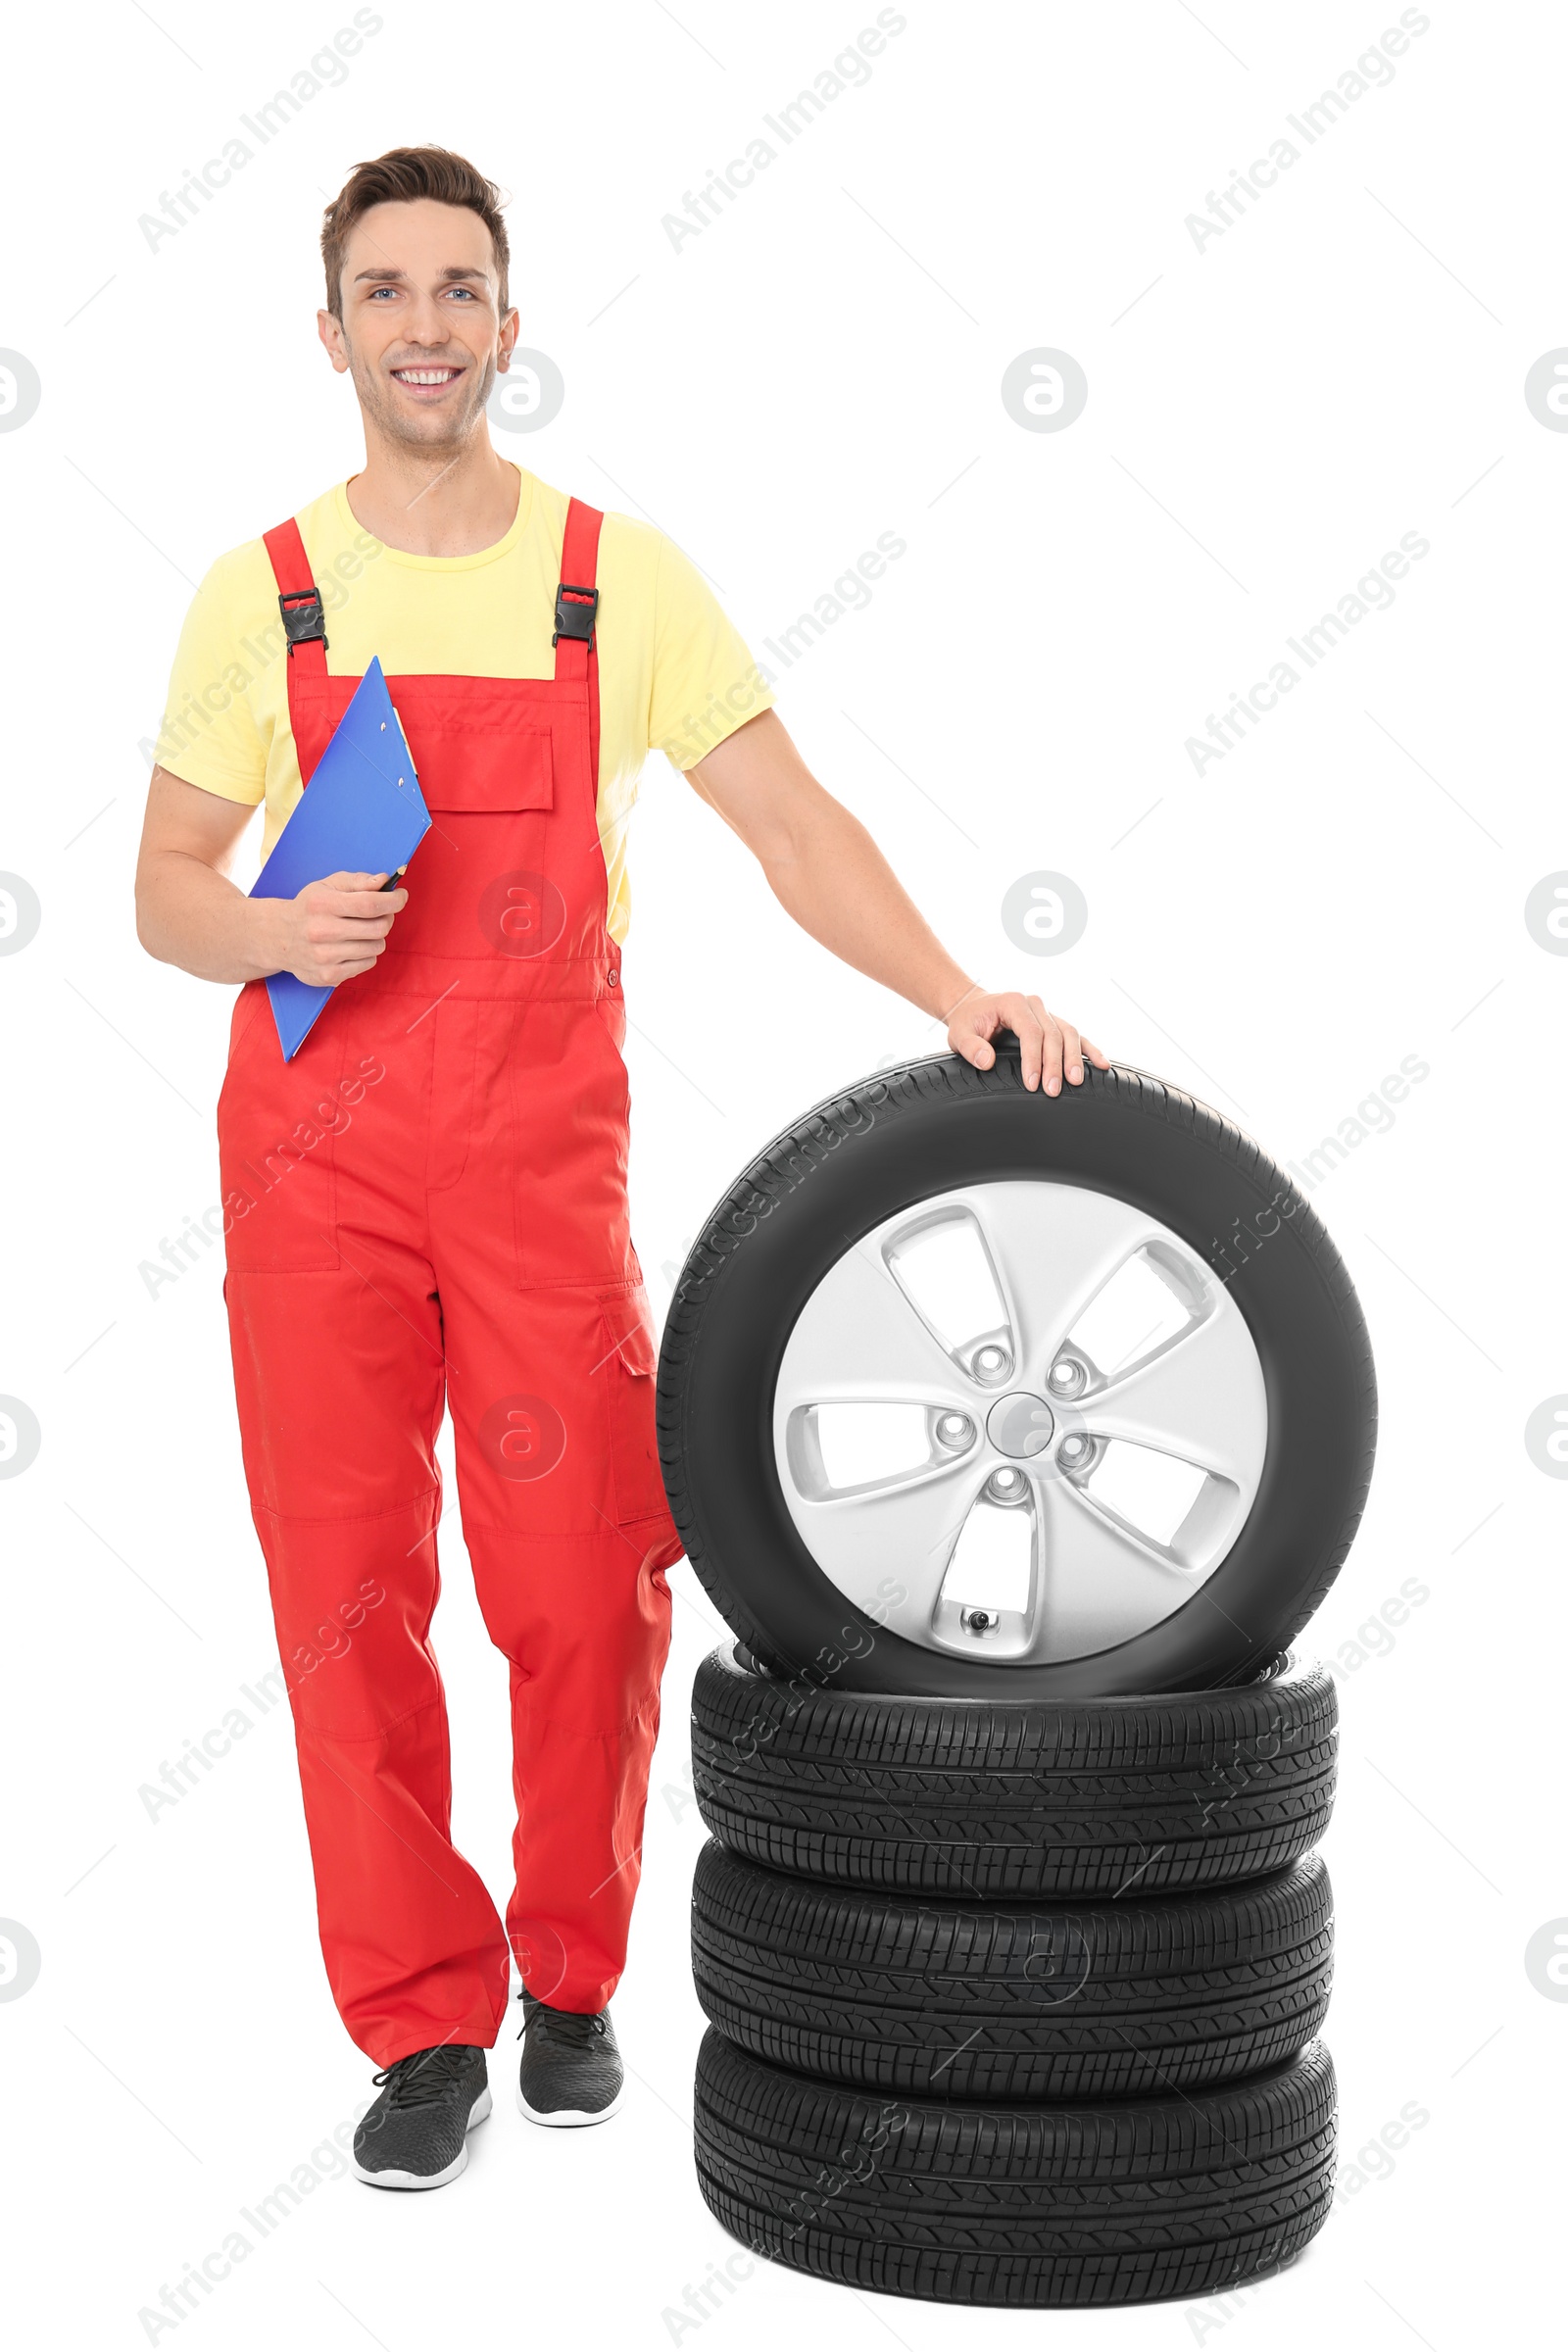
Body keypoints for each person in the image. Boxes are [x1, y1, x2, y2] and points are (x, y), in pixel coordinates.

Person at [134, 144, 1108, 2192]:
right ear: (331, 335)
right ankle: (421, 2026)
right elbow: (159, 889)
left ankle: (568, 1976)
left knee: (584, 1586)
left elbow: (788, 823)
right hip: (309, 1169)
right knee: (345, 1598)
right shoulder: (267, 591)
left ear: (509, 322)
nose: (422, 323)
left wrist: (951, 990)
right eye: (384, 290)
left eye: (457, 287)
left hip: (531, 1166)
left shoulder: (611, 577)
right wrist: (270, 932)